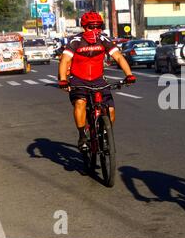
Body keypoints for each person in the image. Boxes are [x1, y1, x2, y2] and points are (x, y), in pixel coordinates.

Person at [58, 11, 136, 151]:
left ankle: (105, 134)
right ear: (83, 27)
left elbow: (118, 57)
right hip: (79, 80)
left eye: (98, 26)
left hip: (98, 80)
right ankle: (82, 136)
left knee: (110, 110)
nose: (95, 30)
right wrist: (63, 80)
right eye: (91, 27)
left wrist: (129, 75)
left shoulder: (104, 40)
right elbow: (65, 61)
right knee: (80, 103)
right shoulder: (75, 41)